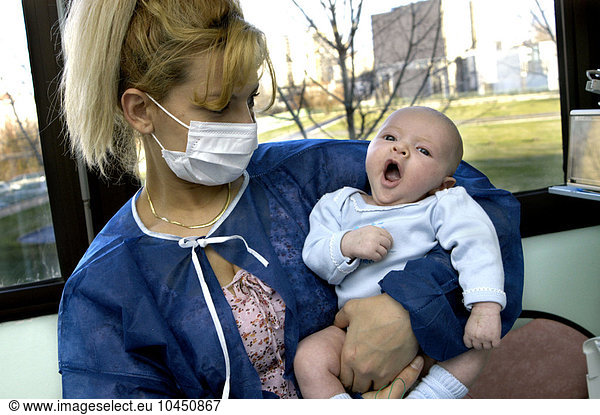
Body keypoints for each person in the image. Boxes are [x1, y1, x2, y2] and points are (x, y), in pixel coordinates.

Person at [57, 0, 523, 399]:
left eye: (250, 99)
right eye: (219, 105)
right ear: (141, 110)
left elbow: (483, 206)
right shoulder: (105, 290)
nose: (245, 125)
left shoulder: (308, 175)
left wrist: (405, 308)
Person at [296, 107, 507, 399]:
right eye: (390, 137)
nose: (401, 148)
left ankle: (427, 398)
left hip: (430, 325)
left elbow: (477, 243)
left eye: (422, 150)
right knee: (309, 357)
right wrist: (347, 243)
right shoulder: (339, 204)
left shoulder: (442, 204)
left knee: (478, 347)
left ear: (441, 184)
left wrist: (485, 306)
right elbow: (315, 253)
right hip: (352, 332)